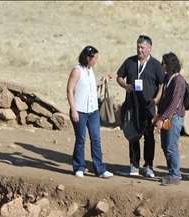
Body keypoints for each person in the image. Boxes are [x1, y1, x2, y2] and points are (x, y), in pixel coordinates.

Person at [116, 35, 165, 178]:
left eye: (142, 47)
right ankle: (134, 166)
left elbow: (162, 83)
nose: (139, 50)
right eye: (138, 46)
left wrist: (156, 100)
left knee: (149, 138)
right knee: (133, 136)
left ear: (149, 49)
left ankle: (149, 166)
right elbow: (119, 76)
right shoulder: (130, 61)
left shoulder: (156, 65)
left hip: (148, 107)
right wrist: (125, 85)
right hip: (132, 107)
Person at [66, 46, 113, 179]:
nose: (96, 61)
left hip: (93, 111)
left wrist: (102, 81)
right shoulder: (77, 70)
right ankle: (78, 167)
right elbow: (69, 90)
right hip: (80, 111)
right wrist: (74, 110)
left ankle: (100, 169)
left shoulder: (90, 70)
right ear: (88, 58)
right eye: (95, 58)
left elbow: (91, 84)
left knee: (96, 139)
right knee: (81, 139)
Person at [153, 53, 186, 186]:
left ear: (169, 65)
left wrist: (162, 118)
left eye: (164, 63)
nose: (162, 65)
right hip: (167, 116)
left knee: (171, 146)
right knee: (165, 145)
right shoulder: (168, 77)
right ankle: (173, 171)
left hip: (174, 117)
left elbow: (174, 103)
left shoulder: (178, 81)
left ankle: (174, 175)